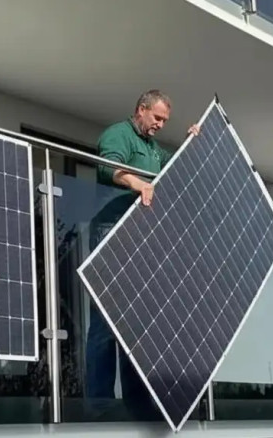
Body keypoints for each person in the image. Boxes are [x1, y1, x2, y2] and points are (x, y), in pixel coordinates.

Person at [85, 89, 200, 408]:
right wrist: (138, 183)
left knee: (135, 325)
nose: (161, 125)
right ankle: (99, 405)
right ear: (141, 109)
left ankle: (136, 403)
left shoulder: (152, 148)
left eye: (165, 121)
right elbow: (107, 165)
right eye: (157, 118)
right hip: (111, 232)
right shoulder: (118, 134)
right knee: (106, 322)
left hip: (139, 237)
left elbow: (175, 167)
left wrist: (193, 142)